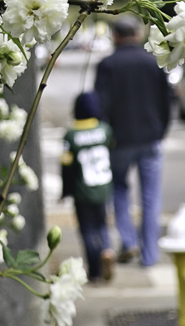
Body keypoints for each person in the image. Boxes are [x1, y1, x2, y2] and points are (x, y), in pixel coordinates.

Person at [94, 17, 173, 267]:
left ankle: (128, 241)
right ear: (137, 36)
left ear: (116, 37)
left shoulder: (107, 65)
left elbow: (101, 105)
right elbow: (166, 102)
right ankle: (150, 256)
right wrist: (160, 131)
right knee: (151, 198)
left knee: (118, 189)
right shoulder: (153, 63)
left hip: (119, 141)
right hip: (150, 138)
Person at [60, 91, 116, 282]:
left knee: (87, 229)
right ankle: (107, 251)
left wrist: (65, 191)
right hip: (103, 187)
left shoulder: (71, 135)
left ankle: (95, 270)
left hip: (82, 191)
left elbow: (66, 167)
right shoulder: (104, 129)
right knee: (102, 224)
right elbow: (111, 149)